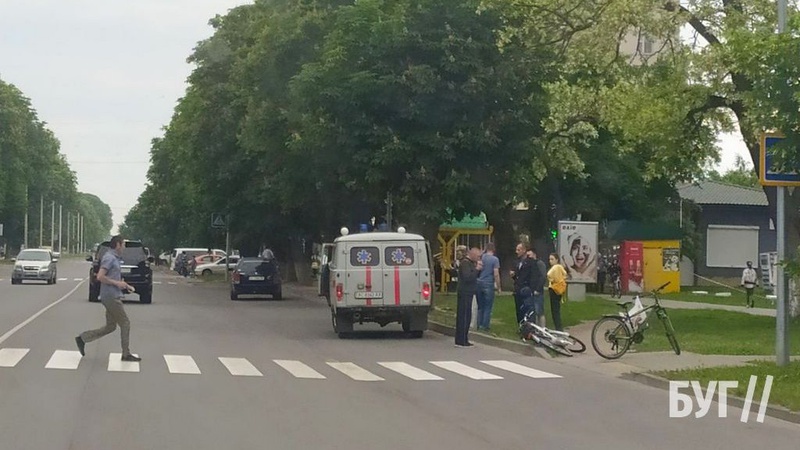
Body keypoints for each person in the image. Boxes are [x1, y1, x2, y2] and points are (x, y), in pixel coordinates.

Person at [75, 235, 141, 362]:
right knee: (125, 323)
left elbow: (113, 278)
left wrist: (125, 285)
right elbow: (100, 277)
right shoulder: (109, 258)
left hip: (112, 295)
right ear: (117, 245)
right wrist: (118, 284)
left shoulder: (114, 258)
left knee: (110, 327)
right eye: (123, 245)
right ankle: (126, 354)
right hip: (111, 296)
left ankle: (83, 338)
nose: (124, 248)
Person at [455, 247, 481, 347]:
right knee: (464, 316)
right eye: (478, 256)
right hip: (465, 292)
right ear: (472, 254)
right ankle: (461, 340)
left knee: (466, 315)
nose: (479, 258)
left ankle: (463, 338)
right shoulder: (465, 263)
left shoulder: (469, 263)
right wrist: (476, 270)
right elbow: (467, 277)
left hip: (468, 292)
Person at [476, 242, 501, 332]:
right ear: (493, 249)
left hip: (479, 282)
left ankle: (478, 324)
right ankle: (485, 325)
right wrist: (498, 287)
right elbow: (496, 274)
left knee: (480, 306)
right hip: (488, 283)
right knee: (488, 306)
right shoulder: (495, 259)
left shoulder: (481, 257)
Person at [510, 243, 535, 324]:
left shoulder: (530, 262)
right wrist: (513, 275)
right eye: (516, 250)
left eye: (519, 250)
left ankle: (527, 326)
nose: (516, 252)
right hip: (518, 289)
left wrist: (532, 288)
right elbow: (518, 276)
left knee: (526, 309)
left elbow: (532, 276)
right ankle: (520, 325)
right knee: (518, 309)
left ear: (524, 250)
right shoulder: (516, 262)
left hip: (526, 289)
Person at [547, 253, 568, 331]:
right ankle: (559, 327)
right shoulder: (561, 267)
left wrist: (553, 280)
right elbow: (565, 274)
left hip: (553, 288)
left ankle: (558, 328)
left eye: (552, 259)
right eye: (549, 259)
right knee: (557, 309)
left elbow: (549, 274)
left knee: (554, 310)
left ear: (557, 260)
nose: (550, 261)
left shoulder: (555, 267)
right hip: (559, 290)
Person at [527, 249, 548, 327]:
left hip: (537, 291)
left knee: (539, 311)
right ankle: (535, 328)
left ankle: (542, 328)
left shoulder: (539, 263)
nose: (528, 257)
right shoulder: (530, 264)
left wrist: (538, 289)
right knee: (533, 312)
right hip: (531, 290)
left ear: (534, 255)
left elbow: (543, 277)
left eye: (529, 255)